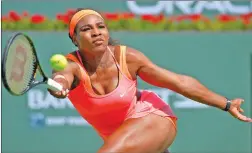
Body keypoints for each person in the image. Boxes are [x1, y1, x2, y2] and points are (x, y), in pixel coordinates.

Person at [48, 8, 252, 153]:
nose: (96, 32)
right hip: (123, 137)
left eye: (100, 26)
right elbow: (61, 78)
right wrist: (59, 86)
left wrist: (226, 104)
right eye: (86, 29)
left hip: (152, 118)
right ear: (74, 38)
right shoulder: (70, 65)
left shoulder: (128, 58)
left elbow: (179, 82)